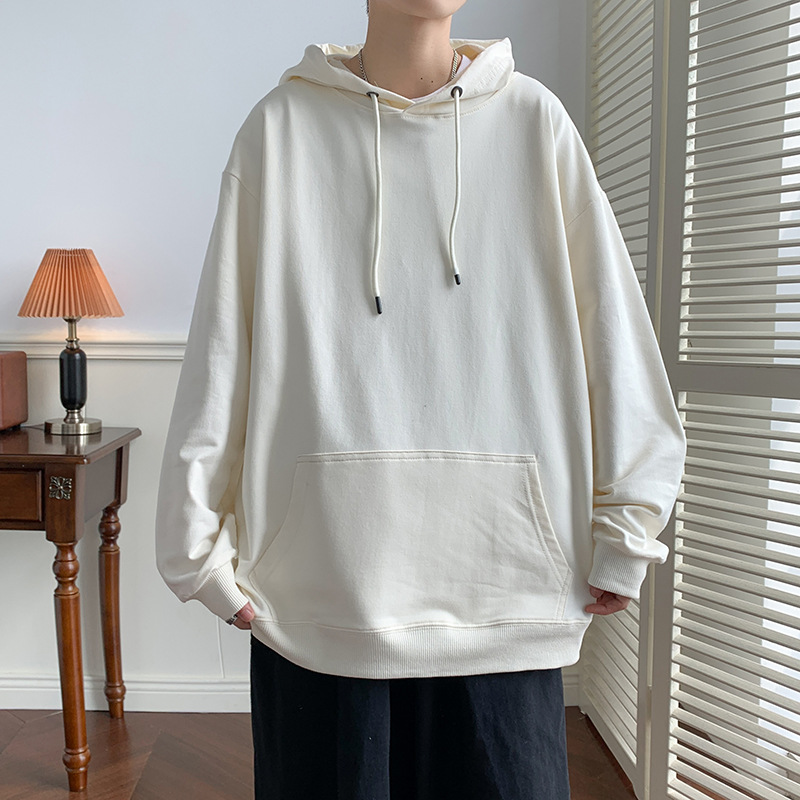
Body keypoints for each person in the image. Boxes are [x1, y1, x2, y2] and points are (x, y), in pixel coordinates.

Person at [154, 0, 687, 797]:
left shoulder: (535, 122)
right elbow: (224, 346)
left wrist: (629, 525)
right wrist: (196, 550)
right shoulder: (279, 130)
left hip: (506, 600)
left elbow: (615, 338)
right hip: (321, 603)